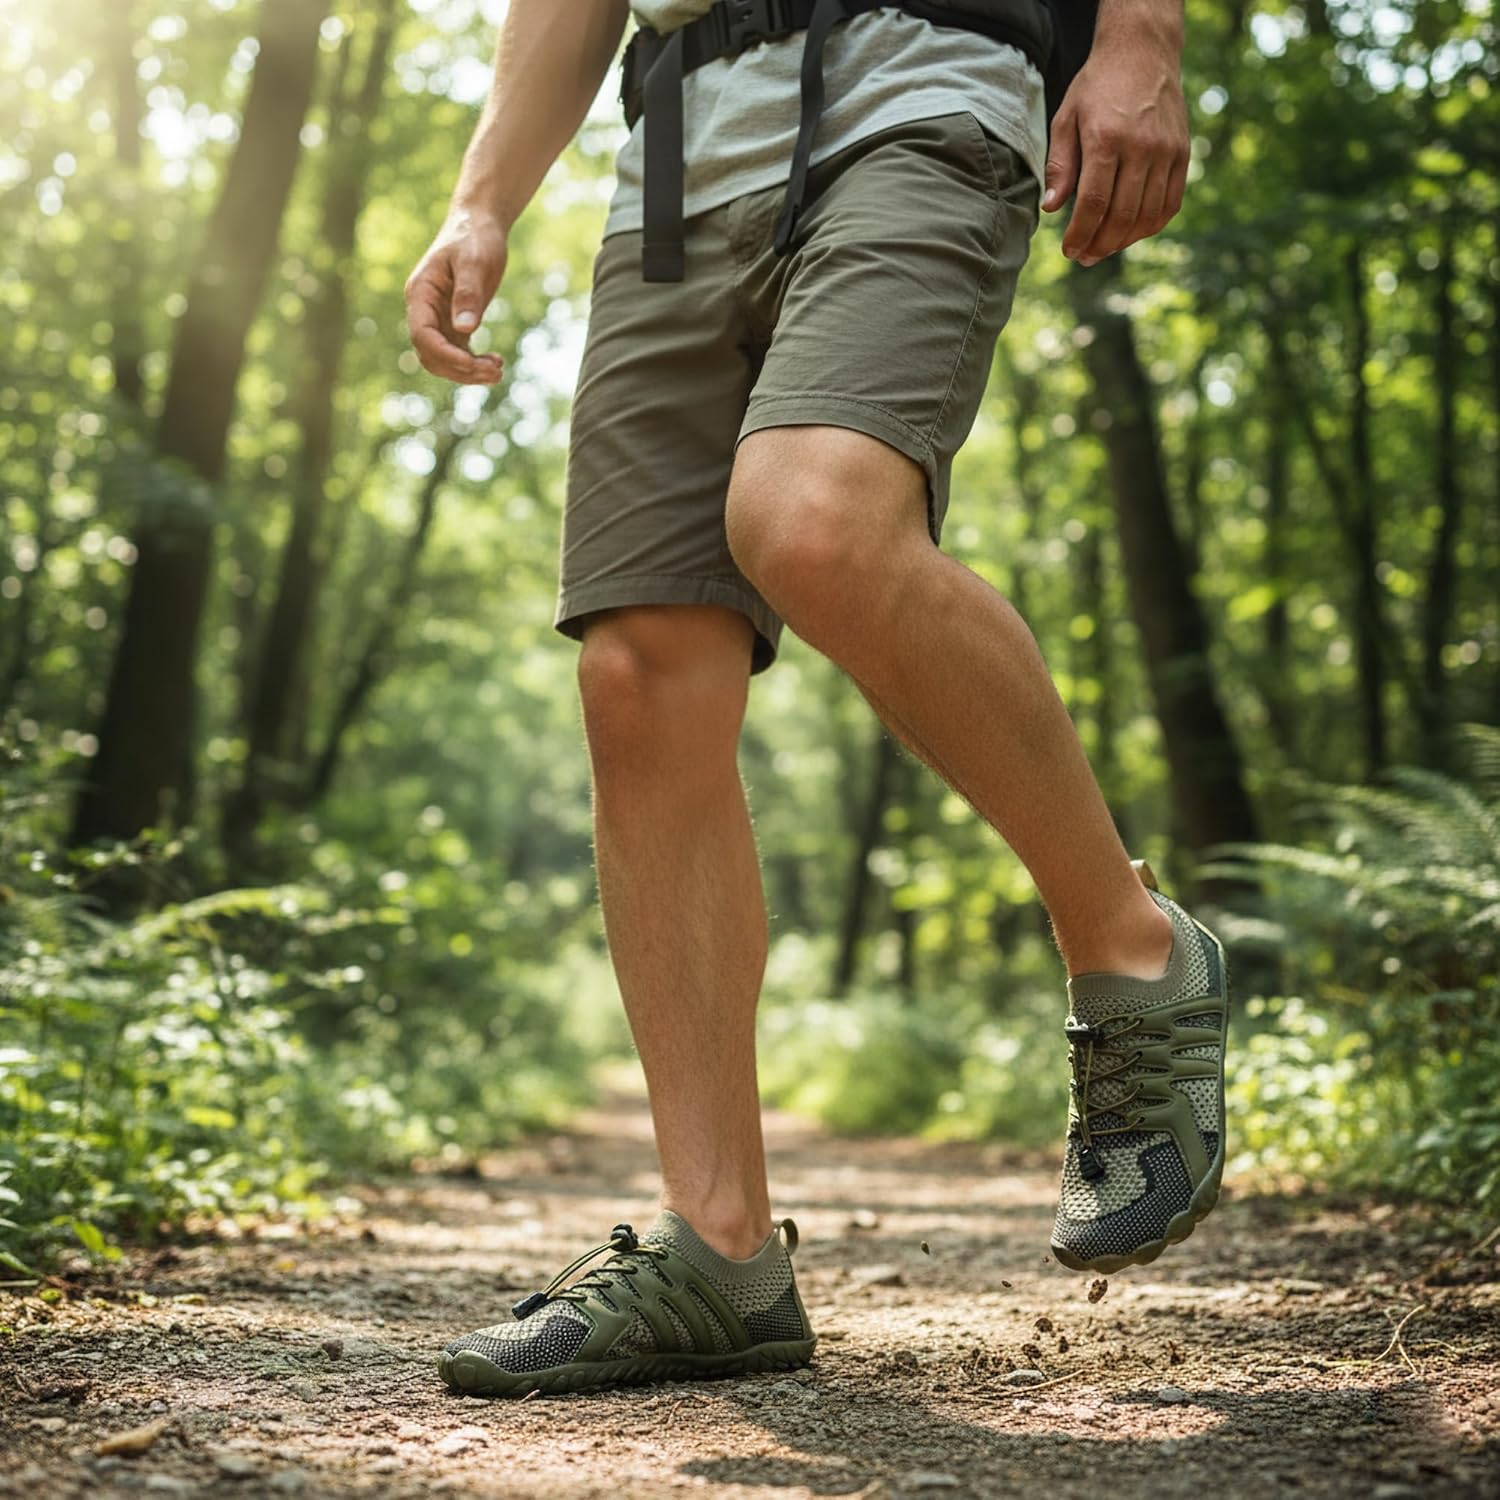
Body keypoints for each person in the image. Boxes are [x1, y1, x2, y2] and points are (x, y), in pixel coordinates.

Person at [406, 0, 1228, 1400]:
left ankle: (1131, 945)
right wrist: (482, 197)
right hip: (676, 157)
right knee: (638, 662)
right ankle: (718, 1247)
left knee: (813, 519)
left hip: (924, 83)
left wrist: (1141, 34)